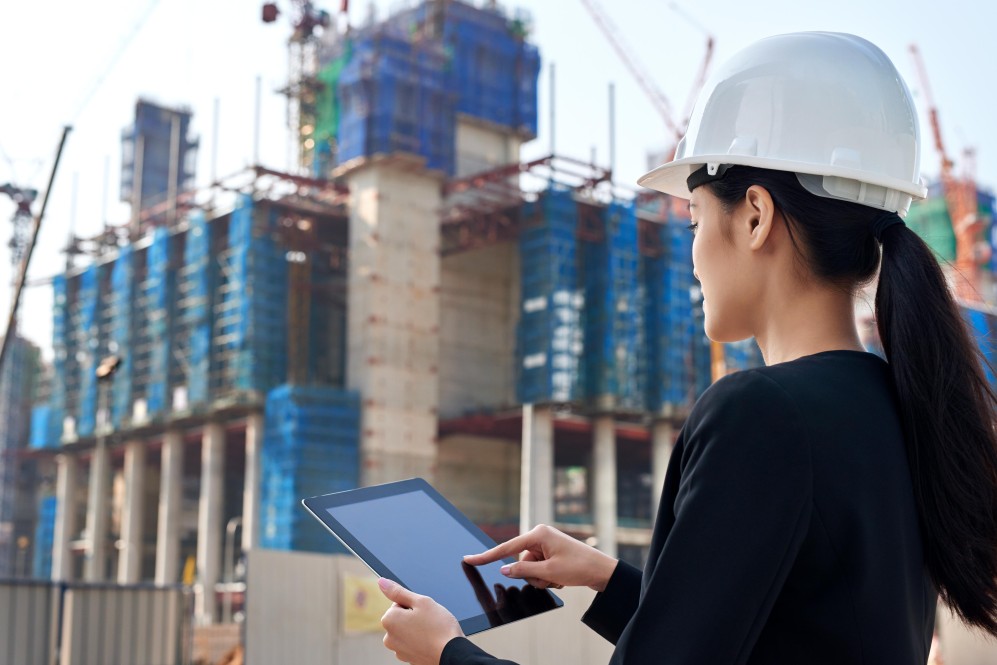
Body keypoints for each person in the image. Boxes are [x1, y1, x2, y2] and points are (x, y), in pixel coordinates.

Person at [377, 31, 997, 664]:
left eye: (696, 221)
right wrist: (608, 578)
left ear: (755, 216)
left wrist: (447, 653)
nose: (692, 257)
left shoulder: (759, 415)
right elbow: (789, 631)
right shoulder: (896, 406)